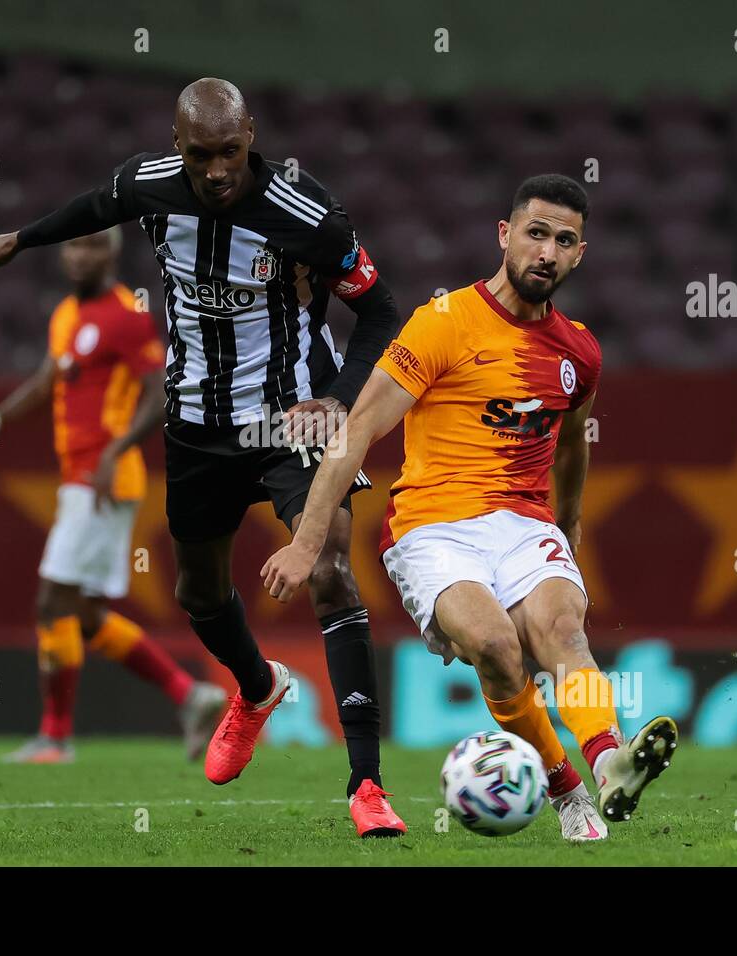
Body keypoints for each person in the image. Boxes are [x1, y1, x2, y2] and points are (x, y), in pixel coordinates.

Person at [0, 79, 406, 836]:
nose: (215, 171)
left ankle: (366, 786)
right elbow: (93, 205)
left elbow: (380, 311)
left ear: (251, 137)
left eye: (229, 153)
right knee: (200, 596)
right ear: (179, 146)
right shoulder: (150, 183)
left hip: (287, 420)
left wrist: (335, 398)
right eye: (200, 155)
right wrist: (23, 238)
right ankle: (256, 685)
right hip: (197, 425)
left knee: (331, 567)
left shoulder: (306, 212)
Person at [262, 175, 680, 841]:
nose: (546, 251)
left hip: (524, 522)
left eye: (564, 241)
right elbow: (359, 428)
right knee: (493, 644)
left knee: (562, 630)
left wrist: (567, 534)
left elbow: (573, 451)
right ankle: (564, 786)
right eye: (536, 233)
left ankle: (609, 763)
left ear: (580, 255)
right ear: (505, 235)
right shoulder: (444, 323)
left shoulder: (580, 353)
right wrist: (307, 544)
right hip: (433, 525)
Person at [0, 229, 225, 764]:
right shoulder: (66, 316)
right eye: (73, 246)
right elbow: (49, 378)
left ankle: (54, 738)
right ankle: (191, 696)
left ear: (112, 253)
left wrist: (115, 450)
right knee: (89, 615)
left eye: (93, 246)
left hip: (102, 479)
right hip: (83, 477)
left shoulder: (125, 316)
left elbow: (159, 393)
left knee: (52, 600)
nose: (80, 255)